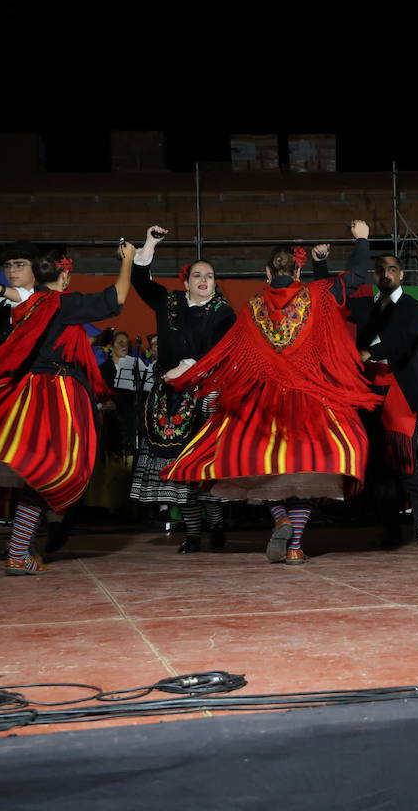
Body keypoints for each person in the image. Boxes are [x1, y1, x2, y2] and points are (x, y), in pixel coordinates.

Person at [0, 243, 135, 574]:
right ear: (65, 274)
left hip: (27, 391)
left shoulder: (28, 302)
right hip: (54, 393)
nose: (13, 272)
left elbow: (17, 294)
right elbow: (117, 297)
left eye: (19, 265)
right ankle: (21, 548)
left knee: (37, 469)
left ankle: (23, 543)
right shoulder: (63, 303)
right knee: (49, 470)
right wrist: (128, 261)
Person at [163, 237, 380, 565]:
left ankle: (279, 518)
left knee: (260, 466)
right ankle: (295, 545)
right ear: (298, 268)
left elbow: (229, 355)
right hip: (311, 398)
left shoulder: (252, 307)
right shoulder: (317, 295)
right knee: (314, 470)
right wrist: (362, 240)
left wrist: (189, 376)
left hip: (264, 403)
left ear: (267, 273)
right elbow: (358, 276)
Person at [127, 227, 238, 553]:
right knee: (180, 469)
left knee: (203, 465)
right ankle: (192, 533)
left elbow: (219, 353)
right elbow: (140, 282)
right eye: (198, 275)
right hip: (169, 396)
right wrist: (150, 243)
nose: (205, 280)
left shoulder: (224, 312)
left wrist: (188, 367)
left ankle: (216, 523)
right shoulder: (168, 301)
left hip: (206, 394)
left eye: (210, 276)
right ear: (186, 281)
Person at [338, 221, 418, 546]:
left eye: (392, 269)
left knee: (404, 456)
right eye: (381, 269)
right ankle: (390, 526)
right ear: (374, 275)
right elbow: (334, 302)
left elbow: (401, 341)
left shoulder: (413, 308)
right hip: (370, 391)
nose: (386, 274)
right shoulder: (366, 307)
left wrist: (369, 351)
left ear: (402, 275)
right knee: (379, 463)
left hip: (400, 390)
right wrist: (320, 265)